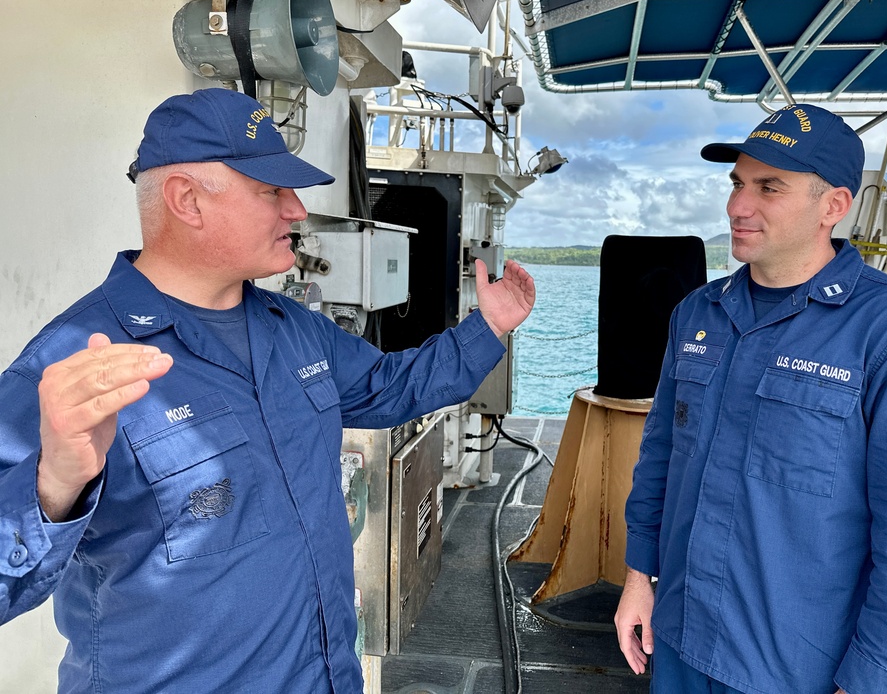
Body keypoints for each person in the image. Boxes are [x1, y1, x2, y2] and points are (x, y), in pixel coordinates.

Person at [0, 87, 535, 692]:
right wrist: (53, 486)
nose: (298, 210)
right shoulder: (70, 368)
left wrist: (486, 330)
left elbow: (391, 387)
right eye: (271, 191)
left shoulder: (295, 330)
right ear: (188, 200)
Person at [614, 103, 887, 694]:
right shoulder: (699, 313)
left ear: (834, 207)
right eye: (738, 183)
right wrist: (640, 575)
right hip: (683, 640)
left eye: (770, 187)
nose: (737, 206)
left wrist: (873, 680)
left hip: (801, 670)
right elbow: (663, 454)